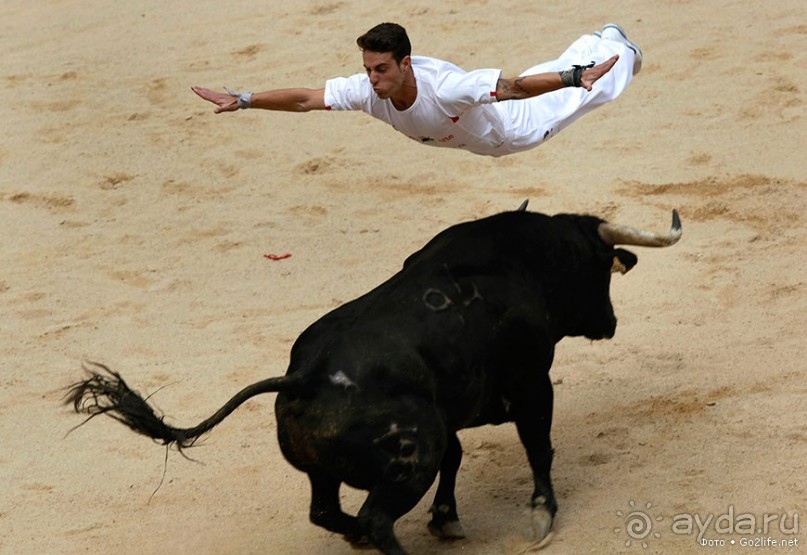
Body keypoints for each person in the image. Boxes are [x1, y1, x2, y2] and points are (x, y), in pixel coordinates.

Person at [192, 22, 642, 158]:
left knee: (585, 94)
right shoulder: (368, 91)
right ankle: (595, 44)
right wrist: (248, 100)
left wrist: (572, 78)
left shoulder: (445, 89)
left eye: (381, 69)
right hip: (476, 137)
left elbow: (518, 87)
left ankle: (620, 51)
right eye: (367, 68)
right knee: (566, 70)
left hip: (512, 130)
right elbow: (307, 99)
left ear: (406, 63)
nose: (372, 79)